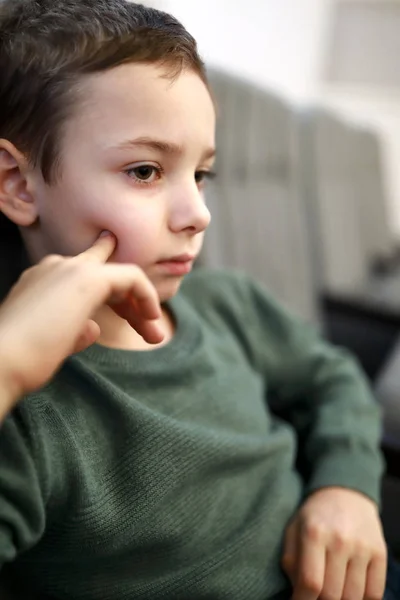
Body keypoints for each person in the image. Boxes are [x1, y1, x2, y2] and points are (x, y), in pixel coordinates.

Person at [0, 1, 391, 599]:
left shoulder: (226, 302)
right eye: (145, 171)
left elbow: (332, 377)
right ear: (19, 185)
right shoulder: (25, 417)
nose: (198, 215)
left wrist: (347, 486)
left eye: (201, 174)